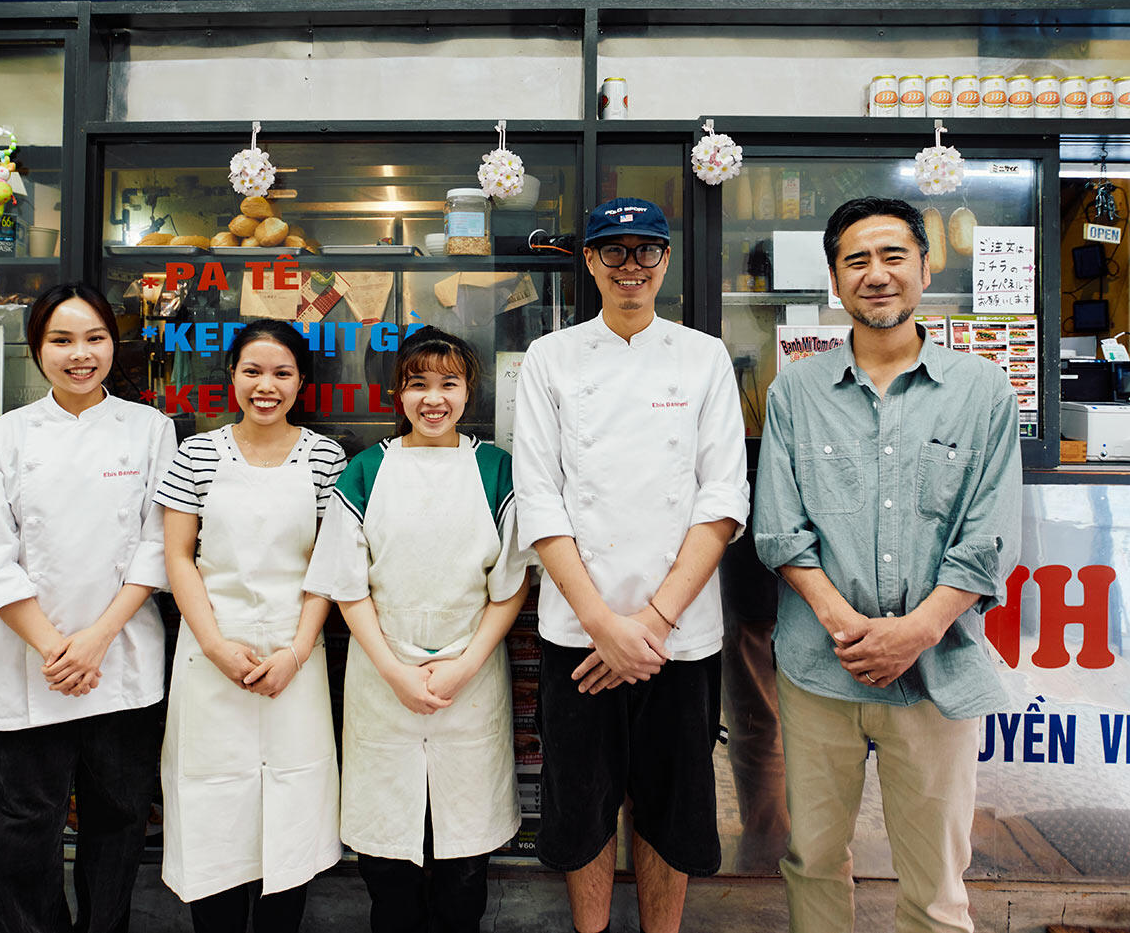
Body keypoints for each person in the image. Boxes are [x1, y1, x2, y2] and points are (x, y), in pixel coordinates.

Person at [751, 196, 1023, 933]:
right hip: (818, 670)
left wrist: (918, 630)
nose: (877, 275)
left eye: (893, 256)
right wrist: (850, 628)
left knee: (937, 877)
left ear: (924, 268)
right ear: (835, 283)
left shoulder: (982, 389)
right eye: (856, 261)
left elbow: (991, 534)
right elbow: (779, 529)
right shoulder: (795, 392)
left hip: (937, 670)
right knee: (811, 858)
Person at [512, 197, 749, 933]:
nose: (631, 267)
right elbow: (540, 498)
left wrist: (647, 624)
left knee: (671, 809)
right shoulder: (550, 358)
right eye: (613, 252)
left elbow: (722, 499)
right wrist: (602, 625)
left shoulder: (703, 356)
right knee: (581, 806)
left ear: (666, 260)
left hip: (677, 636)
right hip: (579, 633)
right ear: (590, 262)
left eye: (646, 250)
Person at [0, 281, 178, 933]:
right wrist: (57, 646)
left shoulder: (151, 429)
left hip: (121, 662)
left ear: (115, 344)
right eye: (61, 340)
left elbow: (158, 546)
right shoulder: (3, 438)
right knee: (19, 838)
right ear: (37, 350)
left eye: (94, 338)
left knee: (116, 828)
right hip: (30, 666)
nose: (79, 354)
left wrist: (94, 640)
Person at [304, 326, 531, 933]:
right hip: (383, 678)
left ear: (469, 393)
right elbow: (348, 587)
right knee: (388, 866)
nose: (433, 399)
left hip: (472, 676)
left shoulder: (496, 469)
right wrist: (395, 671)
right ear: (396, 395)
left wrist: (463, 665)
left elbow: (509, 587)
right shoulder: (364, 473)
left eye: (449, 384)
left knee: (465, 862)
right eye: (417, 384)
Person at [154, 318, 347, 932]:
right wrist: (214, 645)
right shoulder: (196, 454)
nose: (267, 386)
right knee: (214, 808)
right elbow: (178, 555)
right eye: (253, 371)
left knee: (291, 809)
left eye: (282, 373)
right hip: (211, 657)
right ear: (232, 376)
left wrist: (296, 649)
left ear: (302, 382)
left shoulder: (325, 457)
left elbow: (329, 564)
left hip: (297, 656)